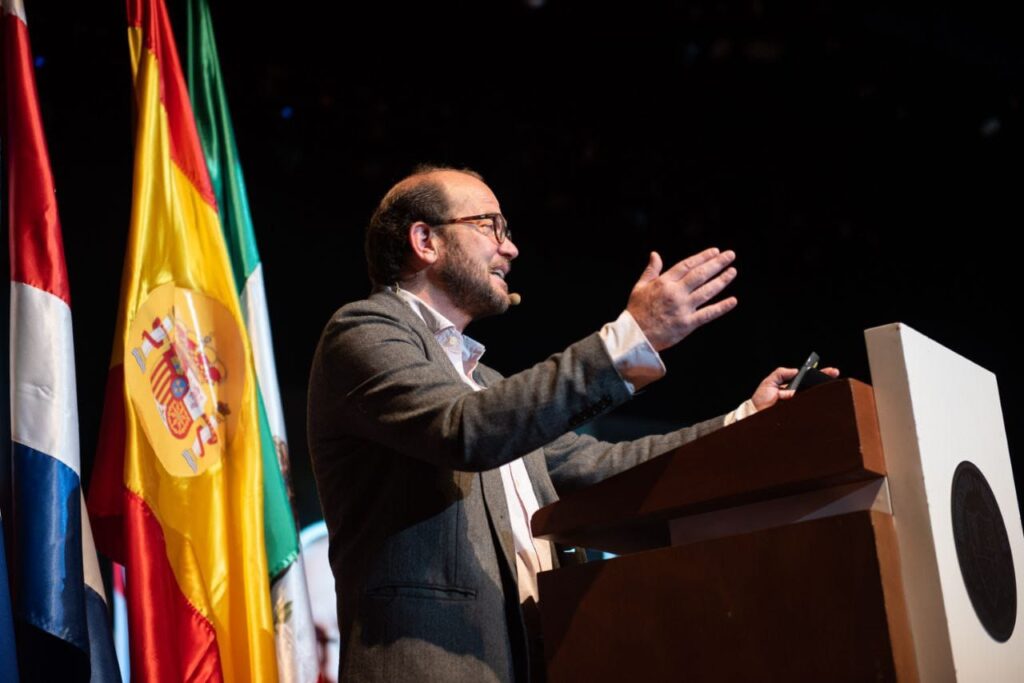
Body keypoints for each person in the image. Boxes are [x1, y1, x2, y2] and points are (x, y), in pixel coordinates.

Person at [308, 166, 831, 682]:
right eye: (491, 226)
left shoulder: (485, 382)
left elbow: (602, 466)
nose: (510, 248)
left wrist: (747, 422)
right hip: (430, 666)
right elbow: (465, 430)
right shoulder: (363, 331)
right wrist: (630, 339)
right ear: (425, 240)